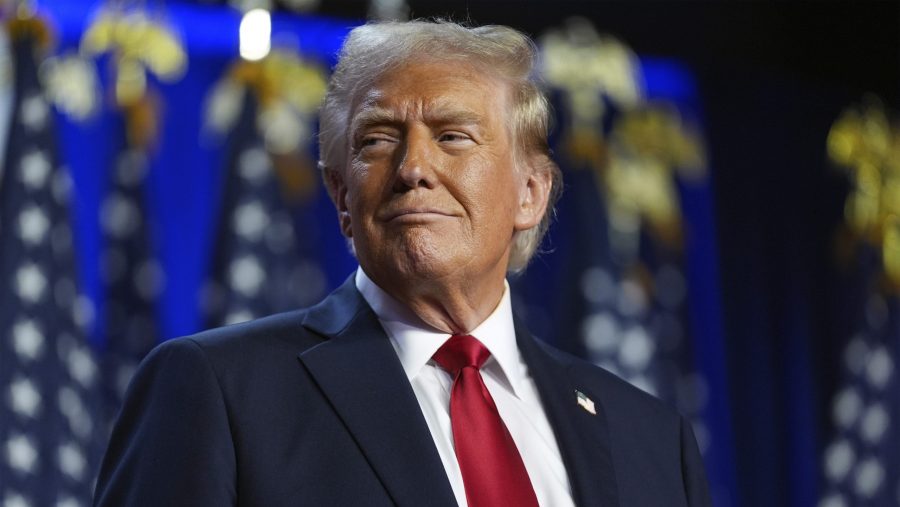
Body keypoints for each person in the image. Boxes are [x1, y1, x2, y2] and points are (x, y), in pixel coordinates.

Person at [94, 20, 711, 507]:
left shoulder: (649, 438)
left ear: (530, 192)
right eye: (378, 139)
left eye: (453, 136)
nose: (414, 168)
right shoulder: (219, 390)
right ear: (341, 196)